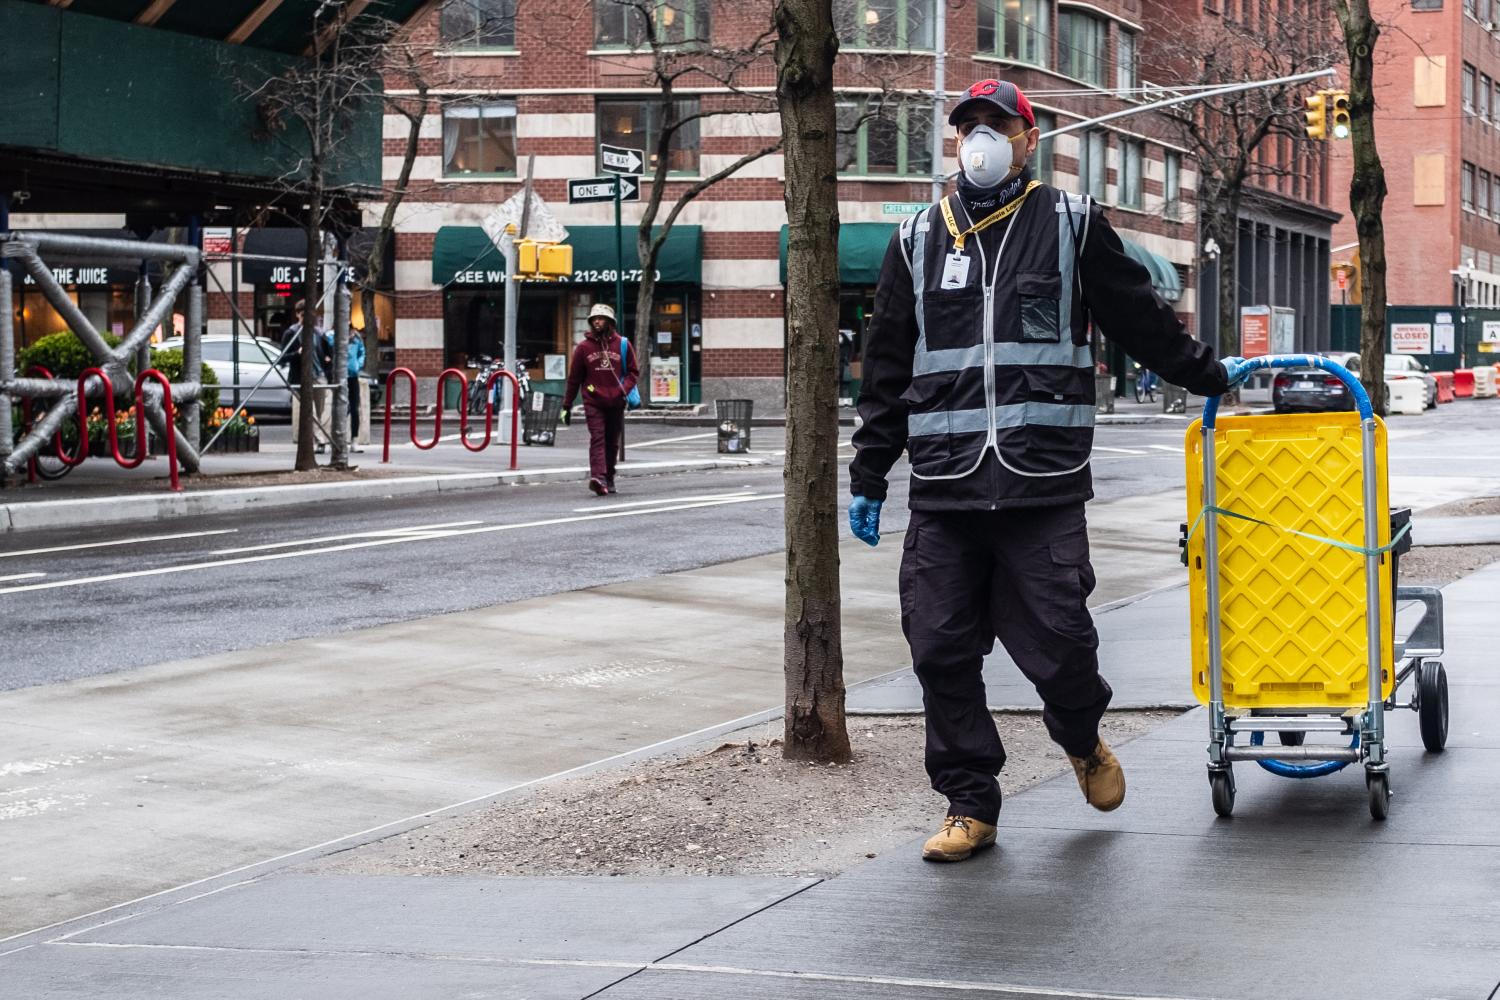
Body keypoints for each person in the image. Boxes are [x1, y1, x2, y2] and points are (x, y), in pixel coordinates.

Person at [846, 78, 1248, 863]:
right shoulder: (918, 237)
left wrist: (1207, 373)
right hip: (947, 488)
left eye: (997, 124)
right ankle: (971, 802)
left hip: (1041, 483)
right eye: (969, 126)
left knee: (1062, 646)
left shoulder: (1070, 224)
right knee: (938, 648)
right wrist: (869, 472)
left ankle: (1080, 737)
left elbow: (1139, 318)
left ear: (1029, 141)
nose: (981, 138)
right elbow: (886, 364)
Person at [560, 303, 639, 495]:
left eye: (601, 318)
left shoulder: (622, 344)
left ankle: (609, 477)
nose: (597, 321)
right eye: (594, 318)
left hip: (617, 401)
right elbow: (574, 379)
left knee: (612, 442)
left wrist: (623, 390)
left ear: (610, 322)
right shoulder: (583, 348)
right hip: (593, 400)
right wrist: (567, 406)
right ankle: (598, 477)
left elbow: (633, 372)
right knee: (597, 438)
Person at [279, 300, 329, 453]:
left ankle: (316, 439)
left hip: (318, 375)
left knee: (319, 411)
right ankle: (321, 440)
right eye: (302, 315)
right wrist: (297, 353)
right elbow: (283, 357)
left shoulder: (318, 333)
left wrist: (328, 360)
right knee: (310, 411)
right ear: (297, 315)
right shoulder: (291, 333)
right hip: (300, 377)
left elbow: (327, 352)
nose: (305, 319)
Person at [324, 325, 367, 453]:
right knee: (341, 407)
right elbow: (329, 344)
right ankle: (337, 436)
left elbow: (361, 353)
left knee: (354, 408)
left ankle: (354, 439)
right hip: (340, 376)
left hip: (353, 375)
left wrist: (358, 365)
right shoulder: (334, 339)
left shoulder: (356, 341)